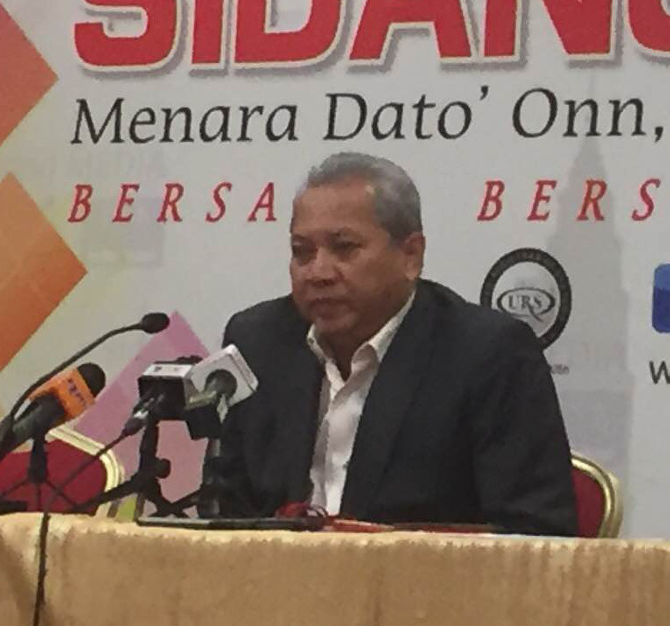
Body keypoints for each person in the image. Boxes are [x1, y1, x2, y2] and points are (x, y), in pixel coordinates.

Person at [213, 152, 578, 535]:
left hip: (420, 589)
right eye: (302, 252)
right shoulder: (258, 342)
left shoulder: (487, 353)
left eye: (344, 248)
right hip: (275, 585)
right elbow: (227, 513)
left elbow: (537, 534)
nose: (318, 272)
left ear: (411, 255)